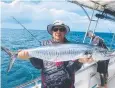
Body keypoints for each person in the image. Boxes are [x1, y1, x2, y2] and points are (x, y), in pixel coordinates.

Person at [18, 20, 91, 88]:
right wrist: (29, 57)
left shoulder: (72, 47)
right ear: (52, 32)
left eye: (61, 29)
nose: (58, 31)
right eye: (55, 29)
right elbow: (39, 65)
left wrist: (80, 61)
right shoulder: (44, 45)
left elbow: (72, 69)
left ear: (65, 32)